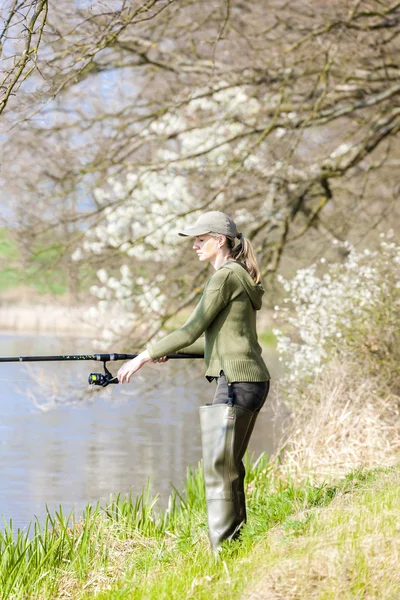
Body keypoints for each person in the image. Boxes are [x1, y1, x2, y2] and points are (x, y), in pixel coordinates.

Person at [118, 211, 270, 550]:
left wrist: (143, 355)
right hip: (249, 380)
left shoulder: (224, 278)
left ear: (219, 240)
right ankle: (236, 543)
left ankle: (223, 550)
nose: (195, 246)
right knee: (228, 465)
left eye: (200, 240)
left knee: (220, 468)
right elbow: (229, 338)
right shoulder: (239, 275)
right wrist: (168, 351)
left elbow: (190, 329)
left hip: (235, 384)